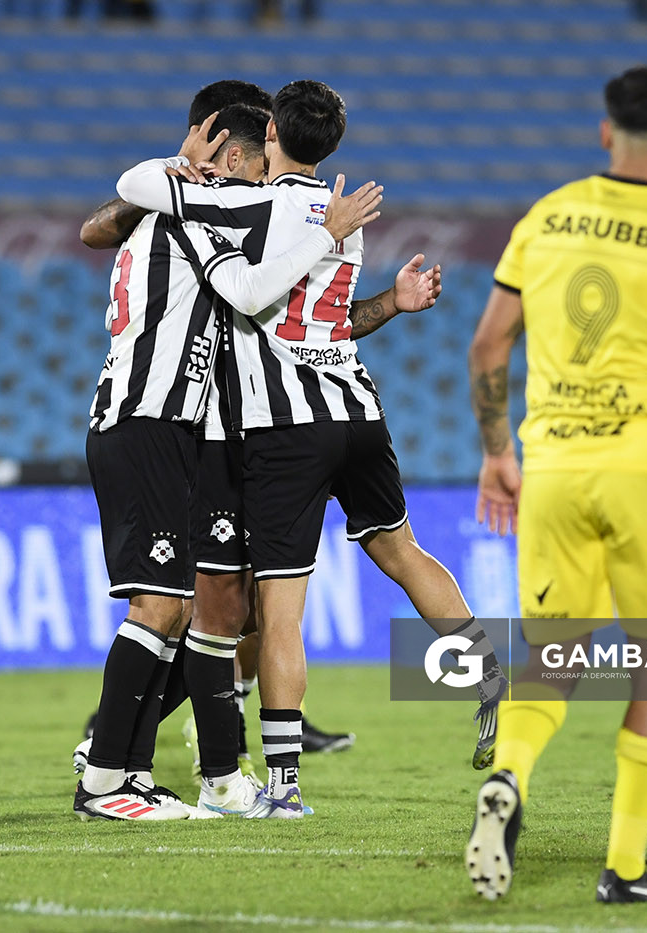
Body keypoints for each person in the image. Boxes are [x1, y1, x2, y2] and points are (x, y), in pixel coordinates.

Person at [115, 80, 506, 818]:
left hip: (284, 426)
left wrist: (182, 169)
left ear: (267, 129)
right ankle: (485, 670)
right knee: (402, 551)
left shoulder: (249, 204)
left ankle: (286, 783)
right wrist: (393, 301)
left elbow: (136, 188)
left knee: (281, 609)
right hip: (356, 408)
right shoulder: (345, 215)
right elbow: (326, 320)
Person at [463, 65, 647, 903]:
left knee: (549, 661)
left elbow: (487, 349)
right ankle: (623, 869)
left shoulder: (545, 217)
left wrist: (495, 450)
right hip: (646, 475)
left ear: (604, 131)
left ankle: (507, 775)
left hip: (551, 470)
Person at [74, 104, 383, 821]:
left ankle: (138, 766)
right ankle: (108, 771)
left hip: (180, 424)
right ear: (237, 155)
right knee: (170, 607)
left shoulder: (180, 210)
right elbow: (248, 290)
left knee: (194, 610)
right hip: (152, 418)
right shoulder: (206, 210)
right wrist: (327, 233)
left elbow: (103, 221)